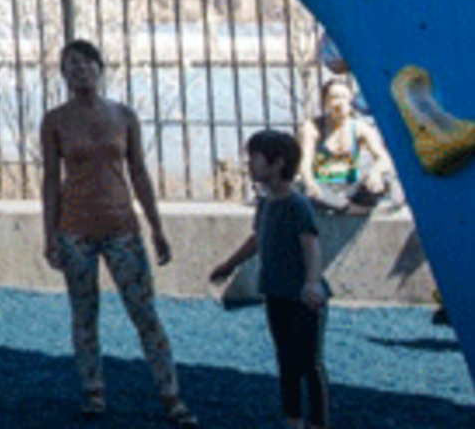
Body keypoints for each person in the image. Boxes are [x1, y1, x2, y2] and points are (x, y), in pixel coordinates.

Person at [40, 39, 198, 425]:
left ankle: (170, 393)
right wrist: (49, 235)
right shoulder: (55, 120)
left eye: (85, 62)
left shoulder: (124, 116)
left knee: (144, 311)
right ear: (64, 74)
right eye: (71, 64)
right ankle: (93, 390)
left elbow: (139, 173)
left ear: (99, 67)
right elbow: (50, 181)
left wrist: (156, 226)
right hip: (75, 230)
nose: (79, 70)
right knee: (83, 313)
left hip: (122, 227)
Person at [209, 129, 331, 429]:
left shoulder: (296, 204)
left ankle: (318, 422)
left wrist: (312, 283)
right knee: (286, 360)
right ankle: (293, 419)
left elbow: (311, 245)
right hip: (276, 294)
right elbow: (257, 240)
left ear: (277, 164)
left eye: (255, 159)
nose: (249, 164)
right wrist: (228, 264)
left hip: (303, 298)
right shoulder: (266, 204)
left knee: (310, 363)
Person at [299, 77, 401, 214]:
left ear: (350, 102)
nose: (339, 103)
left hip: (353, 185)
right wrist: (310, 183)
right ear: (324, 101)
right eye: (334, 97)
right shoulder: (312, 128)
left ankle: (357, 206)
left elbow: (384, 158)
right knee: (307, 192)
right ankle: (350, 209)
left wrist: (376, 172)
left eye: (343, 97)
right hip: (325, 186)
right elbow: (304, 163)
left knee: (388, 177)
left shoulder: (361, 128)